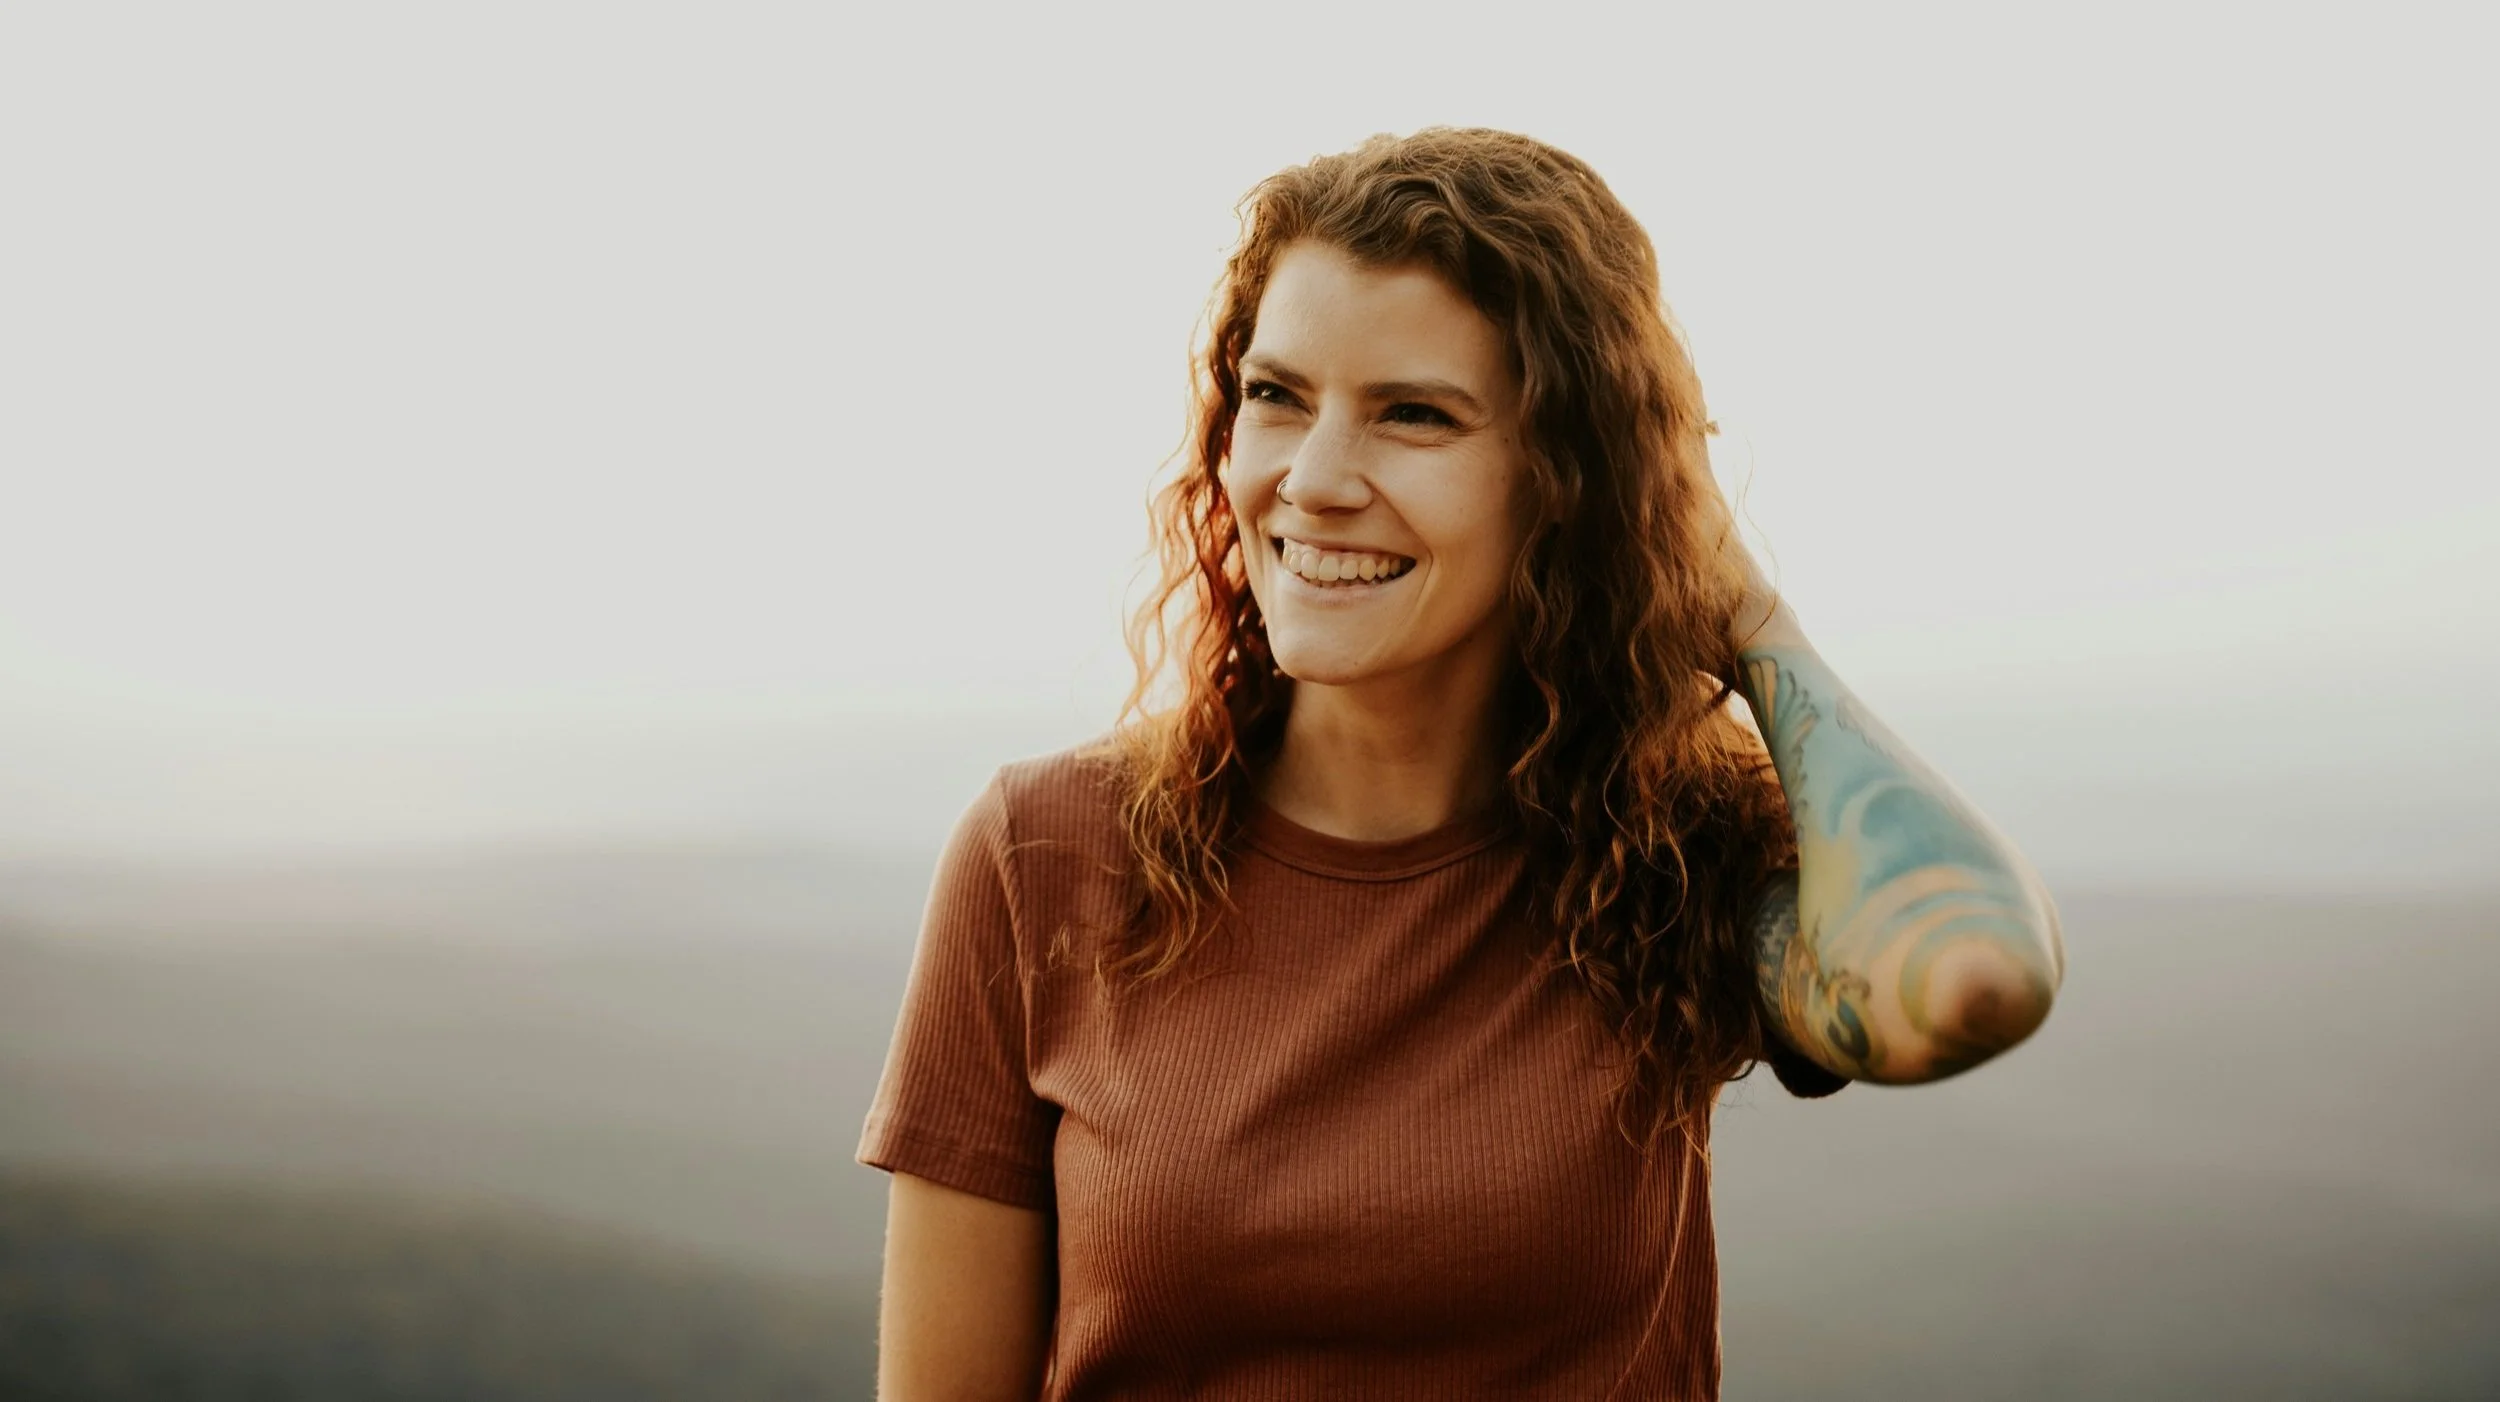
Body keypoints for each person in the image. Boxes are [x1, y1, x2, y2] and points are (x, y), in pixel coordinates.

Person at [858, 126, 2065, 1400]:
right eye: (1276, 396)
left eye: (1414, 415)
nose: (1312, 480)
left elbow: (1972, 977)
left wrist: (1756, 627)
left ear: (1566, 481)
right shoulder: (1044, 853)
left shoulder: (1670, 848)